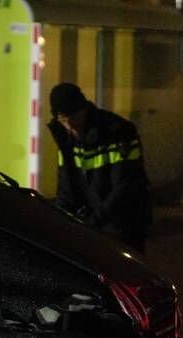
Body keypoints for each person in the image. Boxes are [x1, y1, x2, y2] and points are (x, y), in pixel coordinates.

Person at [47, 83, 152, 253]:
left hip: (123, 228)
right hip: (92, 228)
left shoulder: (119, 132)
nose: (70, 126)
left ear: (84, 110)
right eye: (63, 121)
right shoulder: (66, 140)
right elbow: (66, 191)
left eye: (73, 118)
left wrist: (91, 223)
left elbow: (125, 187)